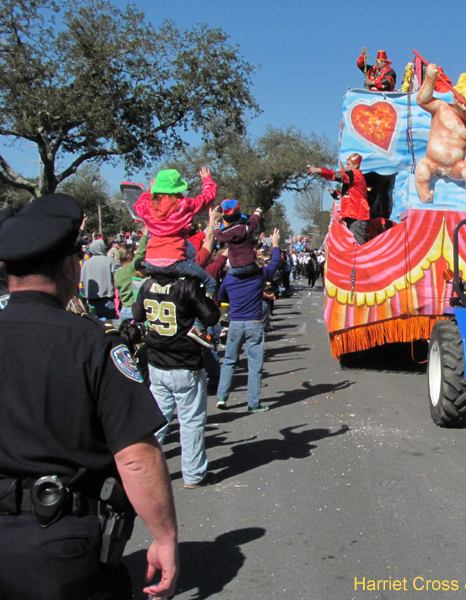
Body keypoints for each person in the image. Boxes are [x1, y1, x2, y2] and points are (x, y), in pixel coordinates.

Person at [0, 194, 178, 599]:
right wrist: (165, 537)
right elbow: (136, 455)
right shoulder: (93, 343)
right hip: (59, 544)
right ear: (68, 267)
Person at [132, 245, 221, 488]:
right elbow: (211, 316)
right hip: (184, 363)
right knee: (191, 422)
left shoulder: (147, 285)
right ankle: (193, 475)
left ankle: (142, 471)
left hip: (157, 362)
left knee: (158, 421)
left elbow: (138, 315)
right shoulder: (187, 285)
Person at [134, 167, 218, 344]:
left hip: (151, 262)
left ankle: (152, 321)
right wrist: (207, 181)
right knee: (209, 281)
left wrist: (150, 190)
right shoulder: (183, 205)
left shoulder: (149, 206)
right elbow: (207, 198)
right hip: (174, 261)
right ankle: (198, 326)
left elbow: (138, 205)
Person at [216, 228, 283, 412]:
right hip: (254, 322)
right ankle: (253, 403)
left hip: (235, 322)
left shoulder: (229, 278)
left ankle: (222, 397)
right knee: (255, 365)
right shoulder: (258, 274)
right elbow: (275, 263)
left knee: (229, 360)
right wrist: (275, 243)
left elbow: (221, 297)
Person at [415, 63, 466, 206]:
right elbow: (422, 100)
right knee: (421, 169)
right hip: (432, 162)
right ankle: (424, 193)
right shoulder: (441, 108)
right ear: (459, 97)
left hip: (455, 167)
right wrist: (430, 79)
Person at [308, 154, 370, 245]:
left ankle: (361, 259)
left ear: (356, 165)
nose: (346, 166)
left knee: (357, 244)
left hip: (357, 215)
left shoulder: (355, 175)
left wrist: (320, 170)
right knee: (353, 243)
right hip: (353, 214)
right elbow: (342, 196)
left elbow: (337, 175)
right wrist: (334, 193)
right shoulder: (353, 181)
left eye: (349, 164)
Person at [214, 199, 263, 278]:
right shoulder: (246, 228)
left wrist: (215, 227)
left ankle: (223, 289)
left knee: (228, 279)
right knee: (258, 275)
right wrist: (257, 212)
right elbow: (254, 221)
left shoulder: (225, 233)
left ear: (226, 220)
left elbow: (218, 236)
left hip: (236, 267)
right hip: (250, 263)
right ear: (239, 216)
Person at [114, 228, 148, 321]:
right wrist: (145, 232)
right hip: (134, 310)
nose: (135, 253)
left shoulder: (117, 273)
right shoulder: (131, 267)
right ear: (128, 255)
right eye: (133, 251)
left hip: (123, 310)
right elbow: (141, 250)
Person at [80, 238, 118, 319]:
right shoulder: (110, 261)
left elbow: (82, 281)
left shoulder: (86, 263)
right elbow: (116, 278)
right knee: (110, 324)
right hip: (107, 298)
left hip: (91, 300)